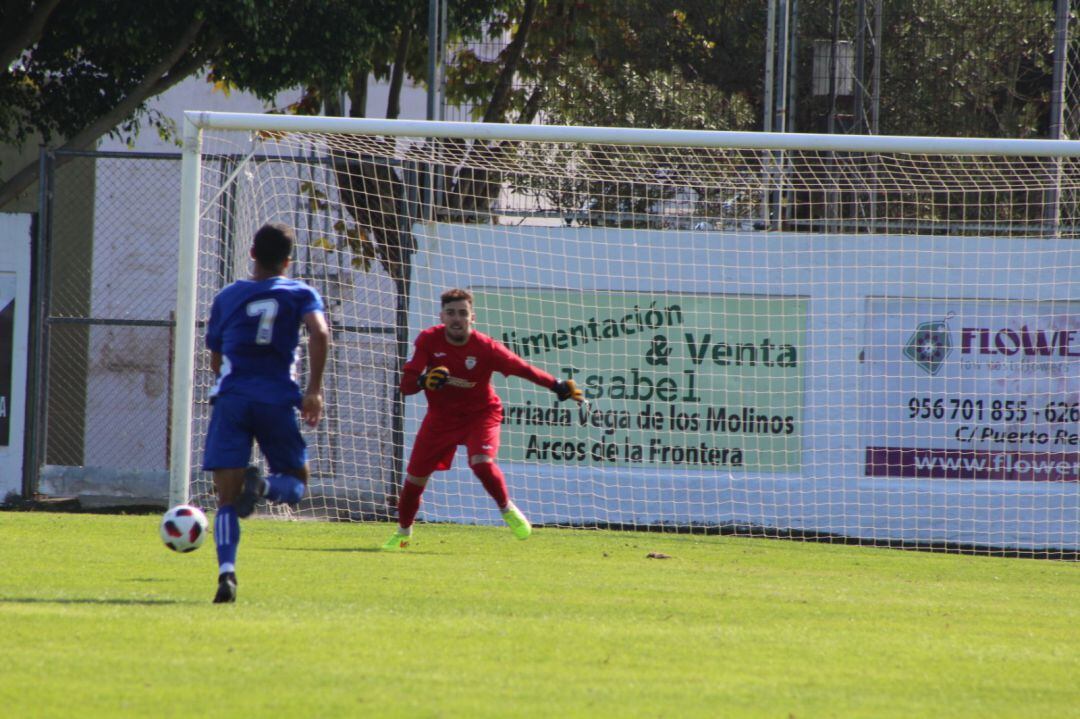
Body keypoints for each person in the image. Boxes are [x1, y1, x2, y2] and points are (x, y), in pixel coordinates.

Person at [384, 287, 583, 550]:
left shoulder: (486, 347)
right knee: (414, 481)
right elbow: (406, 387)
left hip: (481, 414)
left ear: (472, 317)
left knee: (481, 463)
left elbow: (522, 368)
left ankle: (507, 509)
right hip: (441, 419)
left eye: (462, 313)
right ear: (441, 316)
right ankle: (403, 533)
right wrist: (423, 380)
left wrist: (557, 385)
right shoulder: (428, 341)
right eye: (451, 313)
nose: (457, 319)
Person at [201, 222, 330, 603]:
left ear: (252, 254)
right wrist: (314, 391)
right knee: (296, 482)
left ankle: (227, 573)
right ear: (288, 262)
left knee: (225, 500)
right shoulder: (300, 292)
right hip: (276, 400)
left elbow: (216, 357)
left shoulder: (228, 296)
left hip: (233, 400)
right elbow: (320, 333)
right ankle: (264, 487)